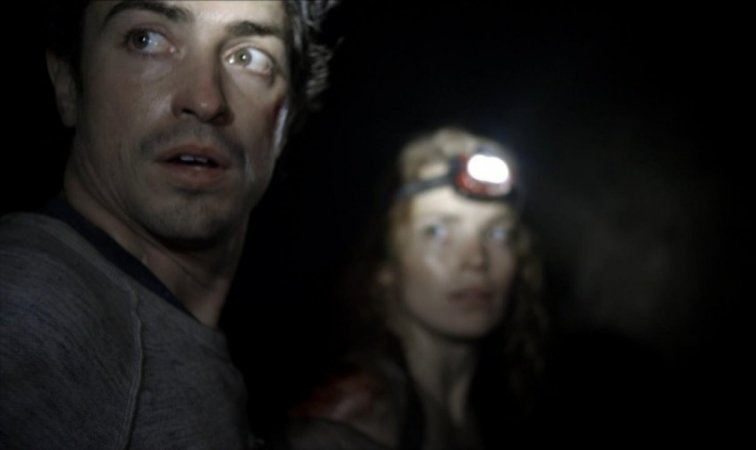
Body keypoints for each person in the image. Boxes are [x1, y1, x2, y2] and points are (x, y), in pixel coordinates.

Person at [0, 1, 338, 448]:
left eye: (248, 56)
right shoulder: (30, 305)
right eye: (146, 40)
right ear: (67, 82)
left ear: (287, 115)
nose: (206, 100)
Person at [284, 127, 549, 449]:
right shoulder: (357, 411)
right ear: (386, 265)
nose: (476, 259)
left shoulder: (504, 414)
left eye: (497, 233)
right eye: (436, 231)